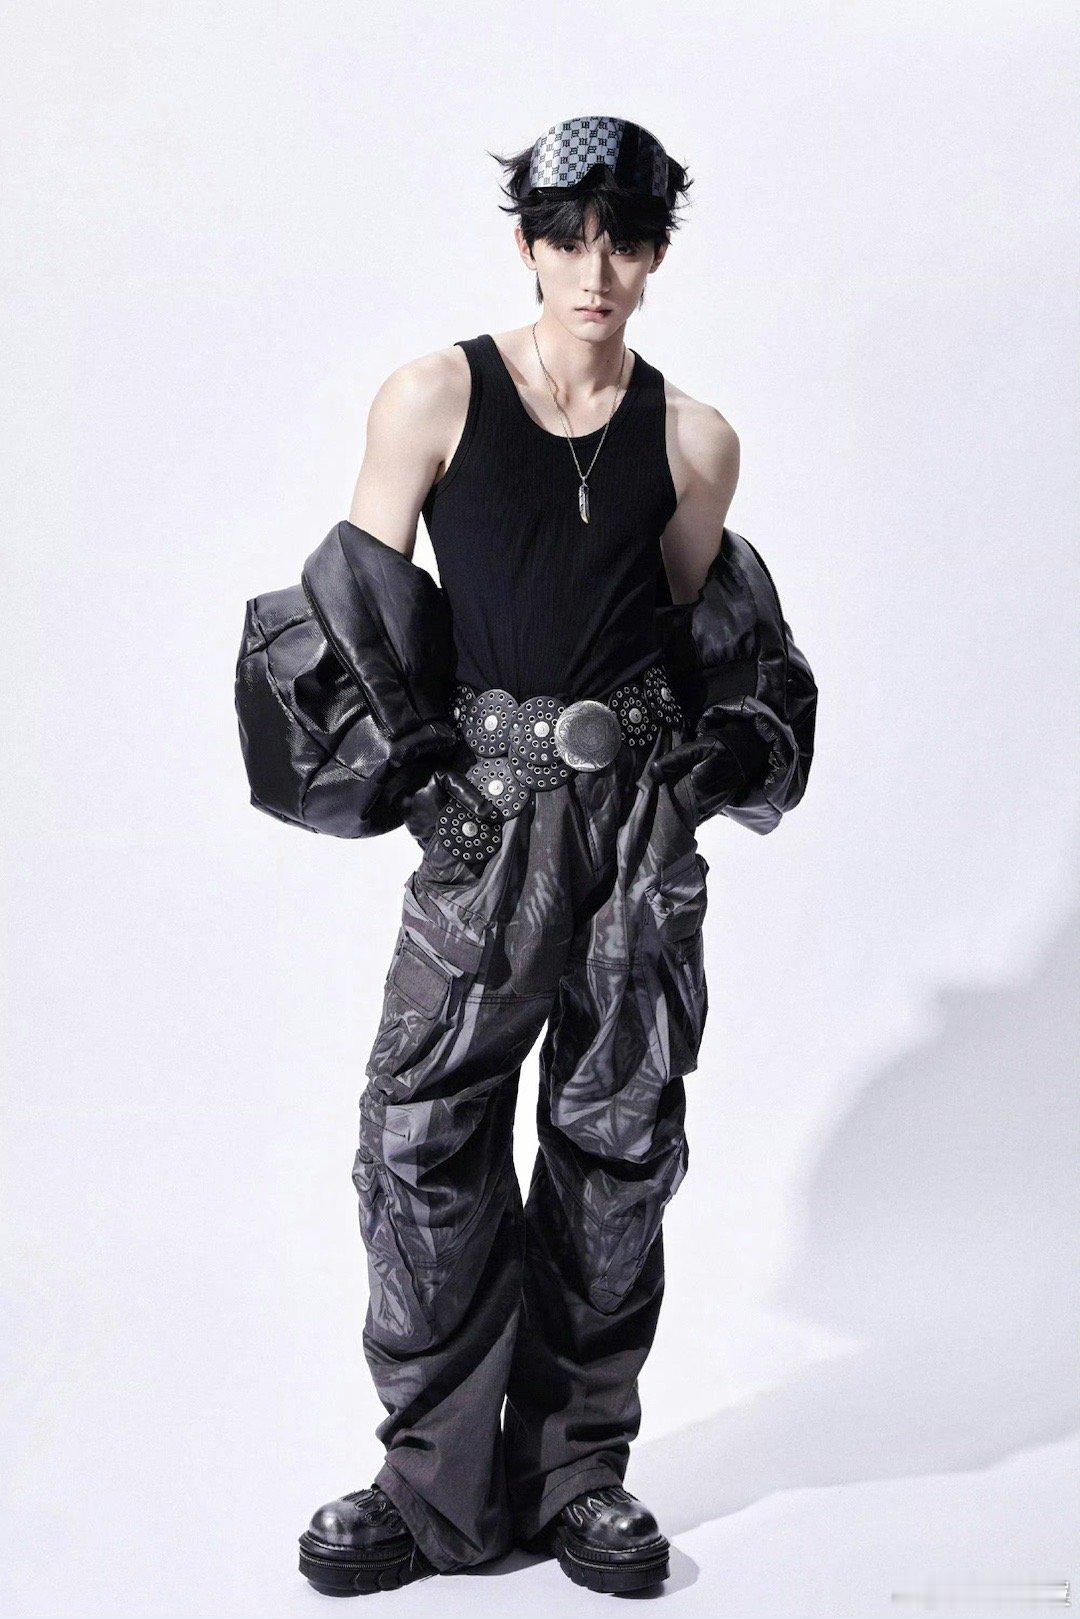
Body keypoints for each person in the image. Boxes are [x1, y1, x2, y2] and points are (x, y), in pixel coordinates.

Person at [288, 115, 816, 1596]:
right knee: (422, 1133)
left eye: (627, 242)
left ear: (655, 254)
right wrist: (424, 788)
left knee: (617, 1140)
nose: (598, 272)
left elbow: (712, 639)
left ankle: (580, 1473)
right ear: (524, 241)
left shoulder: (693, 439)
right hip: (488, 820)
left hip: (634, 835)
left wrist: (721, 756)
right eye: (570, 238)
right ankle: (432, 1486)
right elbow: (354, 622)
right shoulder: (435, 395)